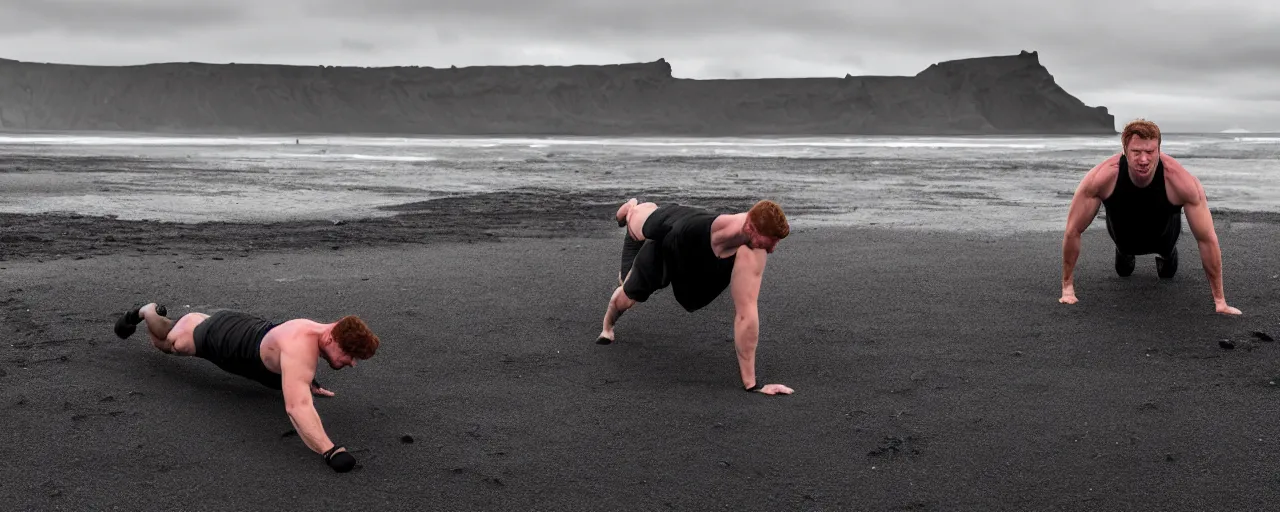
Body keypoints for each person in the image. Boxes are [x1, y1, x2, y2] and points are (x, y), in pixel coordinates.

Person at [113, 302, 381, 472]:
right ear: (332, 335)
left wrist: (308, 381)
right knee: (167, 344)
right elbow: (297, 408)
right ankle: (146, 310)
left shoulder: (316, 331)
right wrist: (330, 450)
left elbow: (290, 365)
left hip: (235, 324)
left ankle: (178, 318)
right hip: (212, 337)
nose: (352, 363)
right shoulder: (301, 346)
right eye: (350, 355)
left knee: (193, 322)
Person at [599, 197, 795, 395]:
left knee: (681, 293)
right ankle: (607, 327)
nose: (773, 248)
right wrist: (632, 214)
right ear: (751, 229)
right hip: (670, 240)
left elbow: (746, 314)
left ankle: (629, 268)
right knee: (627, 295)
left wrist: (752, 385)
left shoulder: (752, 248)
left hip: (696, 264)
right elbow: (662, 225)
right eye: (773, 241)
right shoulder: (690, 228)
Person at [1059, 118, 1241, 315]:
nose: (1143, 159)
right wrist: (1067, 288)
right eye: (1136, 152)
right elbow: (1073, 231)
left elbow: (1207, 239)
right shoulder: (1101, 178)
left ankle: (1167, 256)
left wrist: (1220, 301)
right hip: (1124, 239)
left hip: (1164, 240)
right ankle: (1124, 253)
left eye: (1150, 152)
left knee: (1167, 275)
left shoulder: (1181, 182)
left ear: (1159, 150)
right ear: (1125, 151)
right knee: (1124, 271)